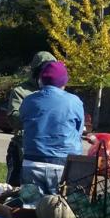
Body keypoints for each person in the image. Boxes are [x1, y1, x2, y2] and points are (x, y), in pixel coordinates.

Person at [19, 61, 85, 195]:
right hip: (63, 164)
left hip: (31, 162)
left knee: (30, 210)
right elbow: (79, 131)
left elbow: (22, 122)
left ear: (40, 81)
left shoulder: (28, 100)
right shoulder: (74, 102)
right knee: (60, 211)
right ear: (64, 83)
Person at [4, 51, 57, 188]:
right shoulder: (20, 91)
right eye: (45, 70)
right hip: (21, 148)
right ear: (36, 71)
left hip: (47, 149)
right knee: (15, 190)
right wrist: (35, 118)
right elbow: (13, 118)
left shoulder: (56, 92)